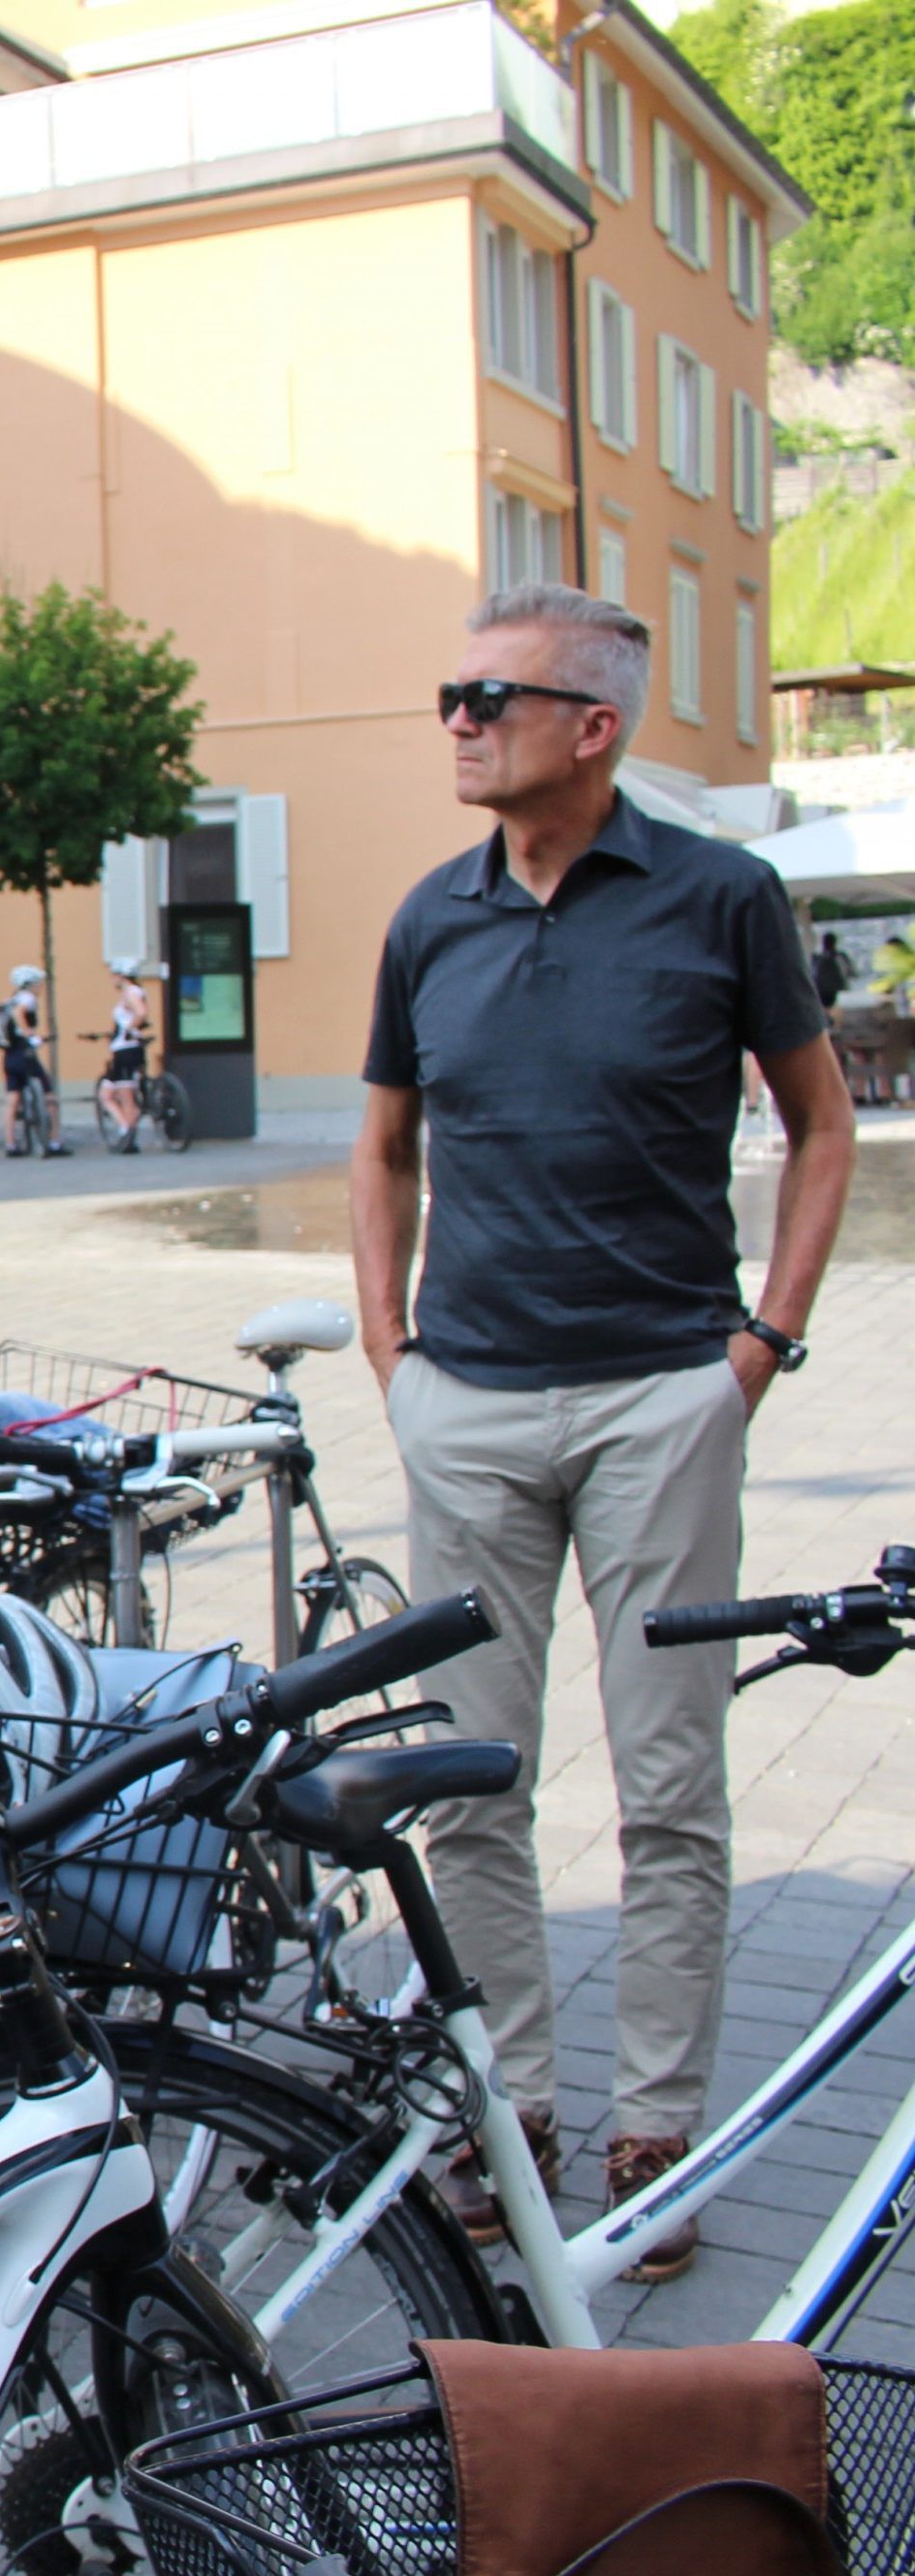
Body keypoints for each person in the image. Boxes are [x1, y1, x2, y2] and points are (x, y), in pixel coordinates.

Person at [355, 583, 854, 2282]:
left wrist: (757, 1347)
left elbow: (819, 1121)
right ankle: (515, 2126)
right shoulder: (430, 916)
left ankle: (655, 2133)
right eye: (451, 693)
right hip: (468, 1406)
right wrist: (387, 1353)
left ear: (595, 726)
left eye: (490, 696)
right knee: (467, 1789)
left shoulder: (722, 899)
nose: (458, 718)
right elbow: (380, 1148)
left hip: (661, 1397)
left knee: (670, 1790)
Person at [0, 964, 70, 1157]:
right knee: (50, 1097)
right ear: (30, 984)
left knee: (12, 1100)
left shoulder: (9, 1000)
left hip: (9, 1054)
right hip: (25, 1053)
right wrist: (30, 1035)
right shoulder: (28, 998)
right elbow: (20, 1014)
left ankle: (10, 1144)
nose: (40, 987)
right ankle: (54, 1141)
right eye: (38, 983)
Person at [96, 967, 153, 1152]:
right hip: (123, 1049)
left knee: (126, 1096)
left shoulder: (131, 992)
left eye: (114, 975)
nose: (112, 979)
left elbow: (141, 1013)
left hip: (126, 1050)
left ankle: (128, 1136)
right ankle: (124, 1128)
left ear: (122, 976)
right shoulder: (132, 992)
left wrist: (129, 1029)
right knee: (106, 1094)